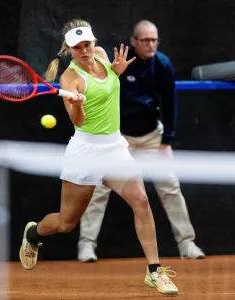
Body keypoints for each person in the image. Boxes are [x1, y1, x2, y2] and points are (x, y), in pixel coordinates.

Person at [19, 18, 178, 295]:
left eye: (87, 44)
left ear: (94, 42)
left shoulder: (103, 55)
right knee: (66, 223)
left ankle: (154, 271)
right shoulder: (70, 78)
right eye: (78, 47)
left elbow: (108, 86)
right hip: (85, 152)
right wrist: (78, 104)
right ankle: (33, 234)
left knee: (141, 200)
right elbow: (79, 123)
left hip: (115, 147)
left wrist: (115, 72)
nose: (85, 50)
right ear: (69, 49)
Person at [78, 20, 205, 263]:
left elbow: (170, 103)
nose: (151, 44)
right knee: (99, 189)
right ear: (134, 41)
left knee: (170, 187)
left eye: (154, 40)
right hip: (117, 139)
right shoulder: (121, 65)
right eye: (145, 40)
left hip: (151, 138)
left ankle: (187, 243)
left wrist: (167, 141)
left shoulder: (163, 65)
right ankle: (86, 245)